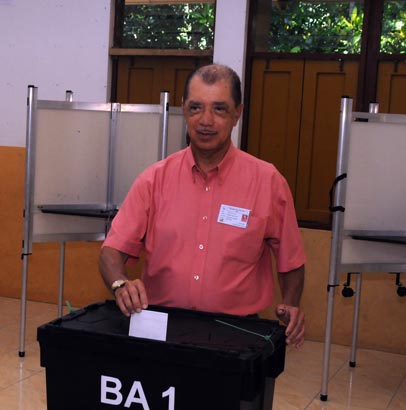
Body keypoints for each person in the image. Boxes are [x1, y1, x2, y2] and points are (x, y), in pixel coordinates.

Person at [99, 64, 306, 348]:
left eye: (219, 109)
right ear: (184, 109)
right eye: (196, 108)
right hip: (160, 329)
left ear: (237, 114)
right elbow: (111, 251)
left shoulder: (268, 182)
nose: (205, 120)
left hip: (237, 333)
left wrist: (291, 303)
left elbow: (291, 260)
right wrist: (120, 284)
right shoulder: (153, 180)